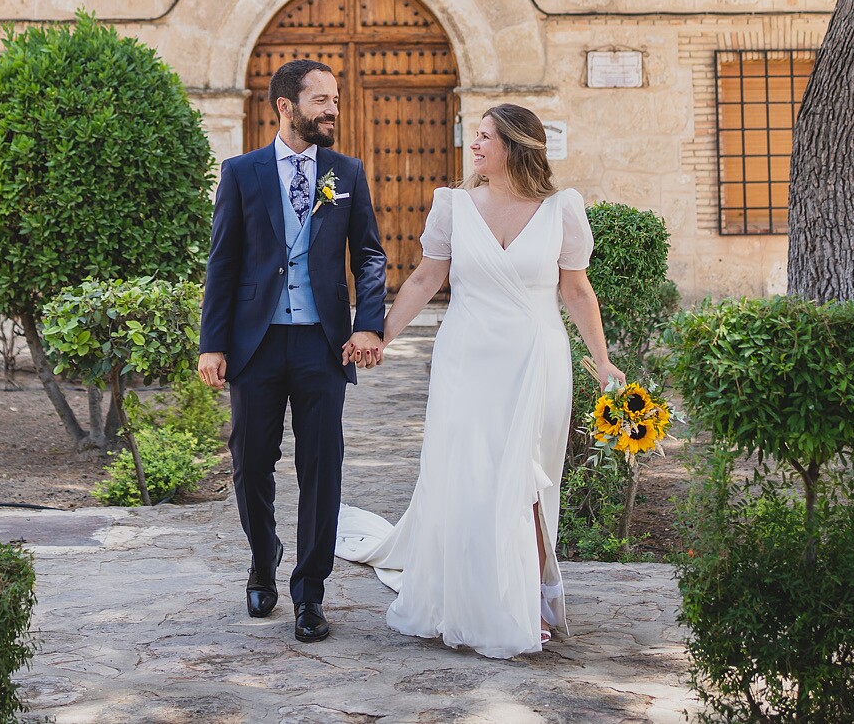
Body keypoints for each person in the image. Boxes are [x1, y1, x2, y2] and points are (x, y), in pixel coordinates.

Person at [336, 103, 624, 658]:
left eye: (486, 137)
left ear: (515, 146)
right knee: (467, 473)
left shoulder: (561, 209)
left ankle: (528, 599)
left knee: (529, 479)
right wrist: (380, 335)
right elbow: (425, 279)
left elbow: (575, 290)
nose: (474, 145)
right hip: (466, 359)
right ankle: (468, 596)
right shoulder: (454, 206)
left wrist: (603, 359)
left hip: (536, 359)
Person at [197, 58, 389, 644]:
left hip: (322, 345)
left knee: (321, 468)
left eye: (336, 99)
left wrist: (368, 325)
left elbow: (370, 255)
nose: (333, 109)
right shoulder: (241, 172)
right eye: (321, 100)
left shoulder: (346, 172)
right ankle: (263, 560)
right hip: (254, 344)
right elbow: (223, 262)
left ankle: (310, 593)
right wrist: (213, 344)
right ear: (286, 106)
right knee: (251, 462)